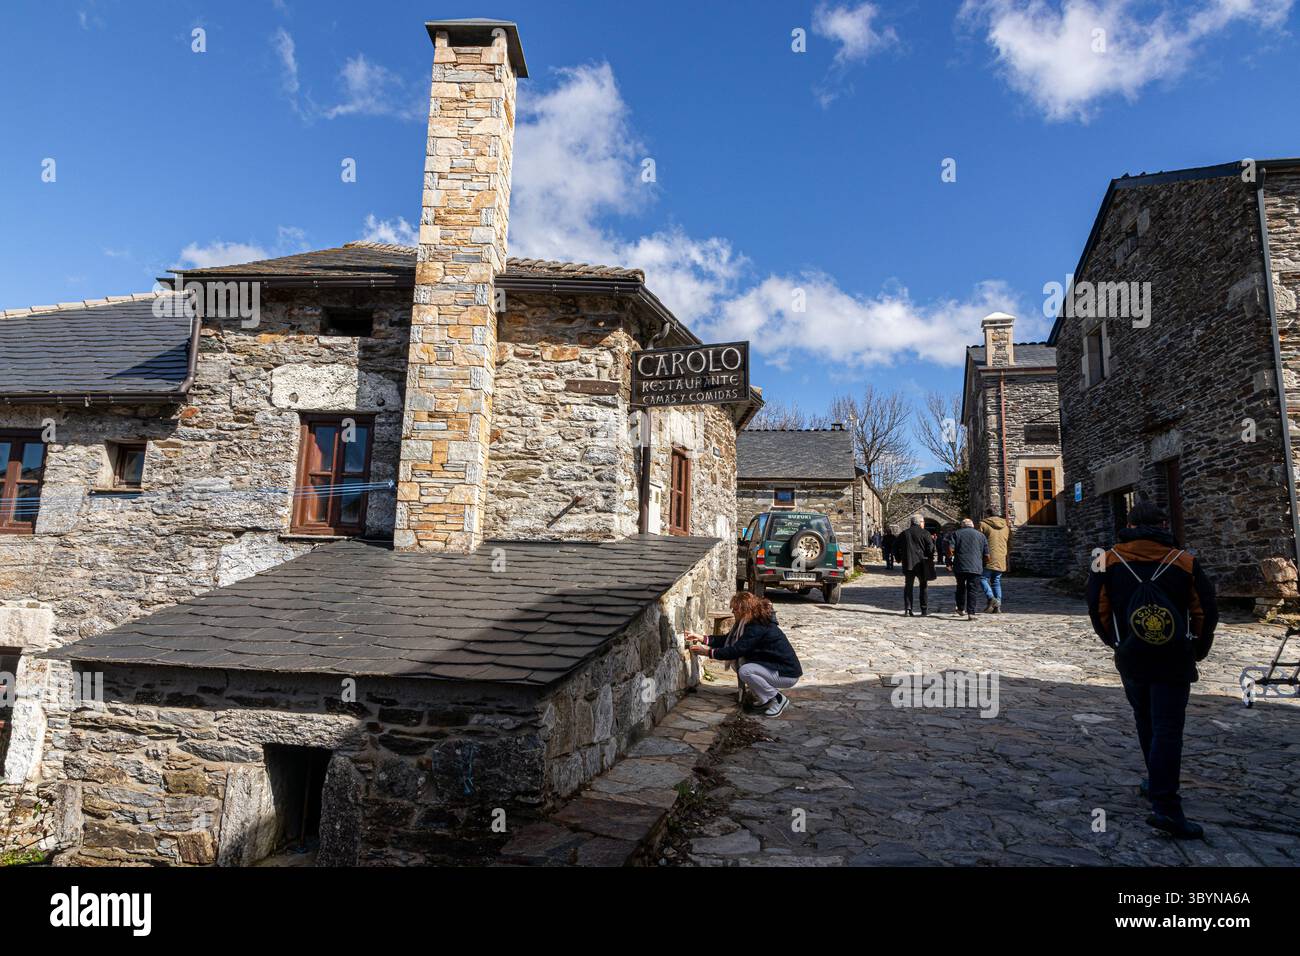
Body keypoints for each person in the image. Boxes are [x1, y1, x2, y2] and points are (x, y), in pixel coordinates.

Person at [1086, 500, 1217, 840]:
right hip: (1174, 655)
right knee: (1168, 728)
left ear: (1129, 524)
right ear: (1162, 525)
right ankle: (1167, 806)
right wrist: (1197, 648)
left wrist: (1115, 643)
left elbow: (1097, 607)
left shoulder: (1106, 559)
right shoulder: (1184, 561)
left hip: (1132, 654)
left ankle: (1154, 782)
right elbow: (1204, 610)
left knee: (1145, 719)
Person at [686, 591, 802, 718]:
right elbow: (728, 640)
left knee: (745, 670)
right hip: (777, 669)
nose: (733, 612)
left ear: (744, 610)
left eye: (735, 609)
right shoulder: (750, 622)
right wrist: (703, 638)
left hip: (786, 674)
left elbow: (737, 650)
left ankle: (777, 698)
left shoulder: (757, 626)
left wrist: (708, 652)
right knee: (743, 667)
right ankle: (767, 698)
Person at [949, 518, 989, 619]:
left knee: (960, 587)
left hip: (960, 566)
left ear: (962, 525)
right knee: (973, 590)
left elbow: (950, 550)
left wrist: (950, 561)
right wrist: (983, 564)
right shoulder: (981, 535)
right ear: (972, 525)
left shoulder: (956, 534)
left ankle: (960, 608)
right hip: (976, 566)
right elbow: (987, 555)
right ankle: (971, 612)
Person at [898, 515, 934, 616]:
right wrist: (930, 557)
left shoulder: (904, 533)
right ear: (920, 522)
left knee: (908, 586)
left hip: (908, 563)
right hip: (922, 563)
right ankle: (924, 609)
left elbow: (895, 546)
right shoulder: (925, 533)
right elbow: (930, 547)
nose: (924, 524)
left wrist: (898, 558)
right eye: (923, 522)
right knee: (923, 586)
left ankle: (908, 609)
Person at [978, 510, 1011, 612]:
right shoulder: (1006, 526)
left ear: (988, 515)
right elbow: (1009, 541)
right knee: (996, 581)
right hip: (1001, 555)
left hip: (988, 555)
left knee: (982, 578)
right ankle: (997, 606)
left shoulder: (983, 524)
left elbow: (979, 541)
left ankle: (991, 598)